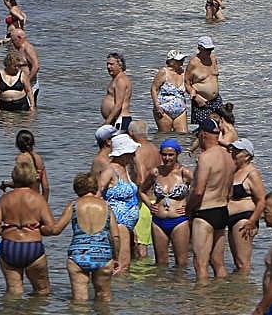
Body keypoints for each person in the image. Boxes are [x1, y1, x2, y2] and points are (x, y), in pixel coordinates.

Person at [49, 172, 122, 302]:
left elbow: (56, 230)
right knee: (104, 299)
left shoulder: (74, 206)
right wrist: (116, 258)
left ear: (77, 189)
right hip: (103, 256)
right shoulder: (106, 206)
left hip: (78, 255)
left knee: (79, 303)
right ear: (95, 187)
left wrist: (40, 228)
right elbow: (115, 236)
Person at [0, 160, 58, 296]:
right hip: (32, 247)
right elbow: (50, 228)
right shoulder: (38, 199)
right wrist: (38, 229)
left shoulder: (5, 199)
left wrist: (8, 230)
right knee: (42, 291)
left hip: (9, 247)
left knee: (14, 292)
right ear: (32, 178)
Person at [187, 117, 235, 279]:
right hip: (222, 211)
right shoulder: (228, 156)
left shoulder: (205, 157)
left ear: (202, 135)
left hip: (204, 213)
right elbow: (229, 191)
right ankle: (220, 299)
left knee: (200, 264)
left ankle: (202, 302)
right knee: (218, 262)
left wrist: (188, 210)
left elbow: (199, 191)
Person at [140, 139, 193, 270]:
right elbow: (141, 190)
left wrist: (189, 207)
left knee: (181, 263)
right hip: (158, 221)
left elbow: (199, 191)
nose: (167, 158)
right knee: (160, 263)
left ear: (177, 155)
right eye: (164, 154)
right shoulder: (155, 173)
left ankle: (180, 288)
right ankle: (162, 289)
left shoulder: (184, 173)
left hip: (179, 221)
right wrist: (149, 205)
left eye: (171, 155)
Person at [98, 134, 141, 272]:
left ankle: (122, 291)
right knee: (122, 266)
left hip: (127, 225)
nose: (134, 155)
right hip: (117, 223)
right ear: (122, 153)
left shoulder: (126, 169)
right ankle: (120, 291)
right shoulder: (109, 171)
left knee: (125, 265)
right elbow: (96, 196)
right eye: (131, 152)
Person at [227, 138, 266, 273]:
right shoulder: (233, 171)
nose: (233, 154)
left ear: (247, 155)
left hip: (244, 219)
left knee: (243, 264)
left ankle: (245, 292)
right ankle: (238, 291)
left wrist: (252, 221)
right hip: (231, 219)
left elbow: (262, 200)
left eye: (237, 152)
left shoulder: (252, 173)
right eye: (232, 150)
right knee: (237, 263)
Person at [188, 36, 224, 124]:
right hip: (202, 102)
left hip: (216, 100)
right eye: (207, 50)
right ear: (199, 48)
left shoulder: (213, 59)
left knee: (220, 127)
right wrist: (196, 98)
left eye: (211, 49)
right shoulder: (193, 63)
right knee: (202, 130)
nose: (209, 52)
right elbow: (187, 83)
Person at [101, 52, 132, 131]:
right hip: (115, 120)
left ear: (120, 65)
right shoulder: (116, 79)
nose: (108, 67)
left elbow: (118, 104)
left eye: (111, 64)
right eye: (107, 64)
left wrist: (107, 122)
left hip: (120, 120)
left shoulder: (120, 80)